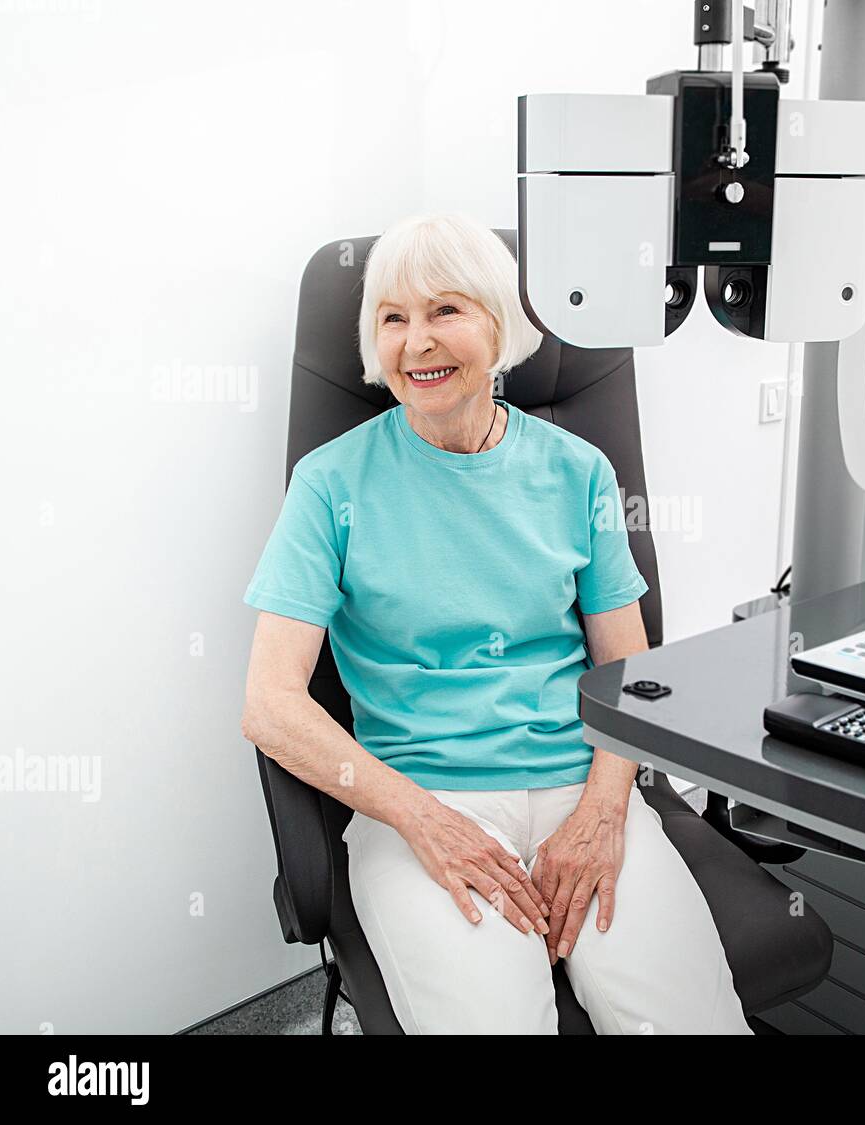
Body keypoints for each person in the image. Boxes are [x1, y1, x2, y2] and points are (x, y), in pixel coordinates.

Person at [240, 213, 751, 1034]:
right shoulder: (330, 484)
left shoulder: (578, 471)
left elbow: (631, 668)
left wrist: (602, 813)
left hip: (580, 787)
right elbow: (270, 705)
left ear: (498, 323)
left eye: (445, 310)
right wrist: (424, 821)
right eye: (393, 318)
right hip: (424, 797)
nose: (416, 343)